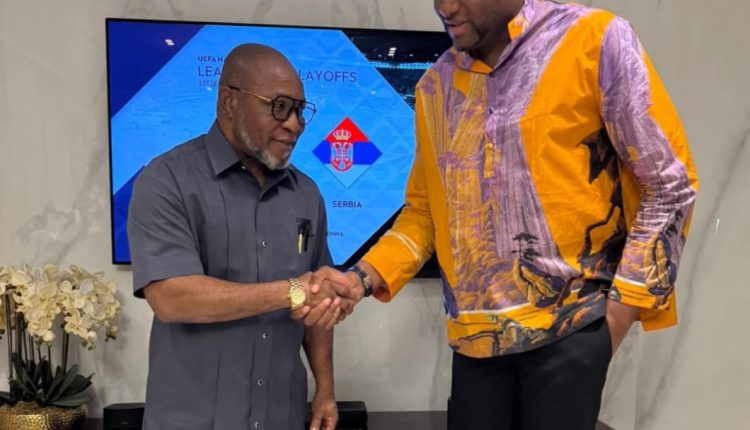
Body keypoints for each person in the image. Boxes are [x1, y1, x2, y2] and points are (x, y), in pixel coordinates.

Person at [323, 0, 699, 429]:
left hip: (569, 332)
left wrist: (616, 317)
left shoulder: (593, 40)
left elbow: (669, 184)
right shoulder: (435, 86)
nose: (445, 7)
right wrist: (361, 278)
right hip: (474, 344)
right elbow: (425, 214)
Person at [127, 43, 349, 430]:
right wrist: (293, 291)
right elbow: (172, 298)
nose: (294, 124)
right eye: (279, 107)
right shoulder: (166, 180)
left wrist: (325, 390)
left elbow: (316, 305)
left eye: (300, 110)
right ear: (229, 102)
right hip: (191, 421)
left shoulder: (306, 194)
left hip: (283, 416)